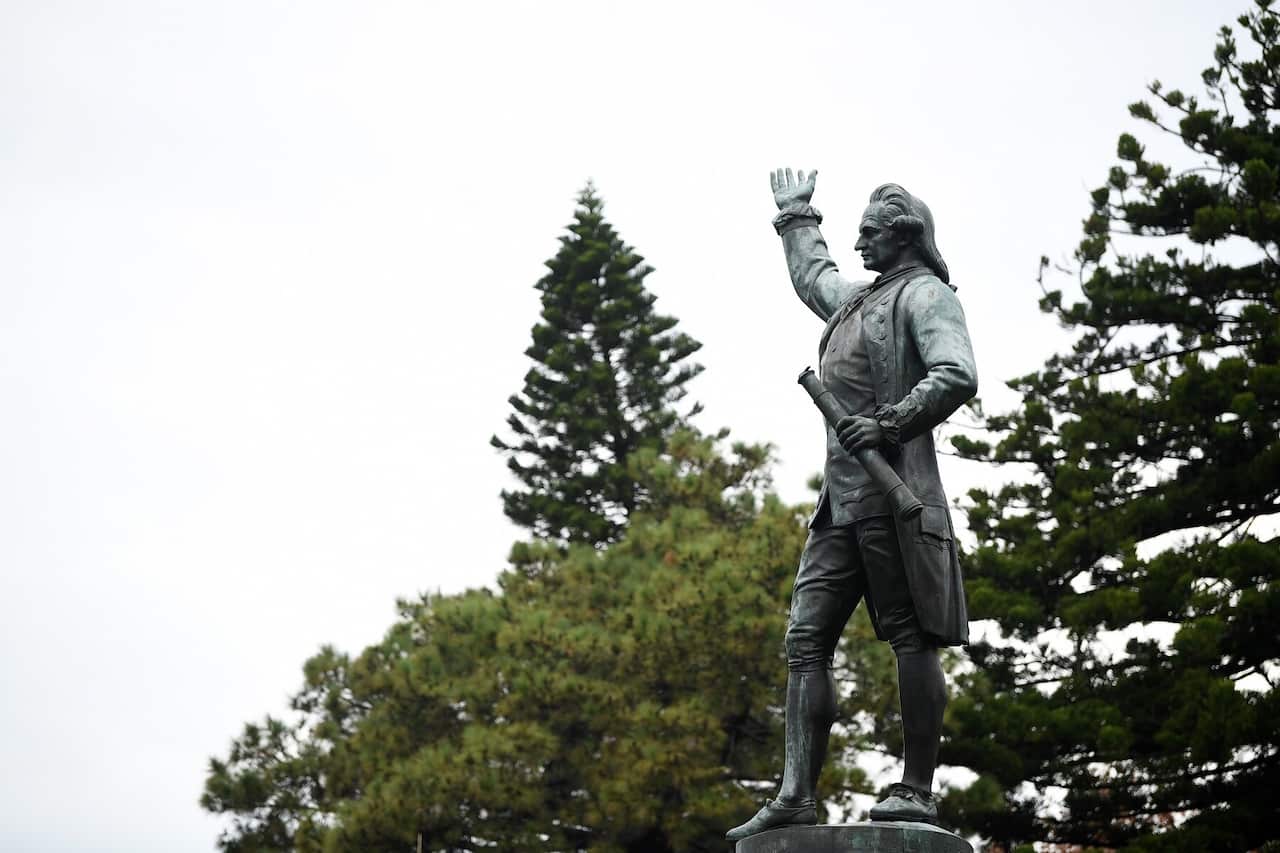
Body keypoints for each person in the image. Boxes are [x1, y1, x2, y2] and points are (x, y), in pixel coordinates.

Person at [726, 170, 978, 841]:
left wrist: (890, 422)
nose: (858, 242)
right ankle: (795, 791)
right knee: (804, 638)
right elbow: (817, 278)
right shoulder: (858, 302)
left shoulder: (926, 297)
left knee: (909, 636)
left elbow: (956, 372)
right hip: (839, 506)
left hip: (896, 500)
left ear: (902, 237)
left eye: (869, 233)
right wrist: (796, 218)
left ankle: (917, 789)